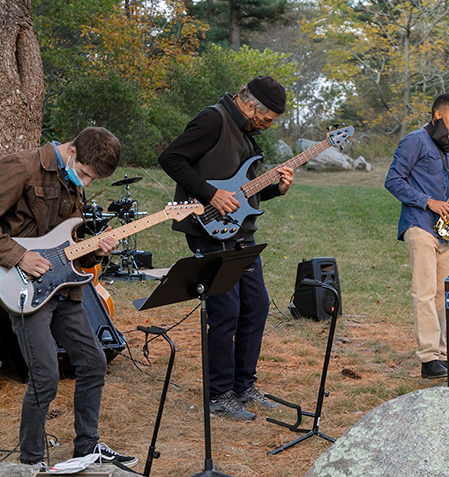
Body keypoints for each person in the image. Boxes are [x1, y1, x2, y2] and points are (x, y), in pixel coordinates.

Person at [0, 127, 137, 468]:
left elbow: (68, 250)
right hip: (24, 286)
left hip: (63, 288)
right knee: (45, 375)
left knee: (94, 361)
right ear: (73, 151)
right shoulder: (22, 166)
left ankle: (87, 447)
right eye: (87, 174)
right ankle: (29, 462)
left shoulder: (73, 180)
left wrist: (97, 250)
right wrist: (18, 255)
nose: (87, 182)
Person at [158, 76, 294, 421]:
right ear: (250, 105)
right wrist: (209, 193)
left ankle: (243, 386)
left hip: (241, 233)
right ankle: (219, 394)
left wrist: (276, 188)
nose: (266, 125)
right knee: (225, 311)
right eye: (266, 119)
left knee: (256, 305)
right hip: (209, 231)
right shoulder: (213, 119)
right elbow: (171, 158)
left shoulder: (246, 133)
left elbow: (243, 193)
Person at [385, 94, 449, 379]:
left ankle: (443, 355)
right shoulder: (415, 140)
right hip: (420, 224)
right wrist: (428, 201)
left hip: (446, 231)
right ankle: (428, 359)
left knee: (442, 295)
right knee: (424, 293)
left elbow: (446, 187)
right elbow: (393, 180)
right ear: (438, 115)